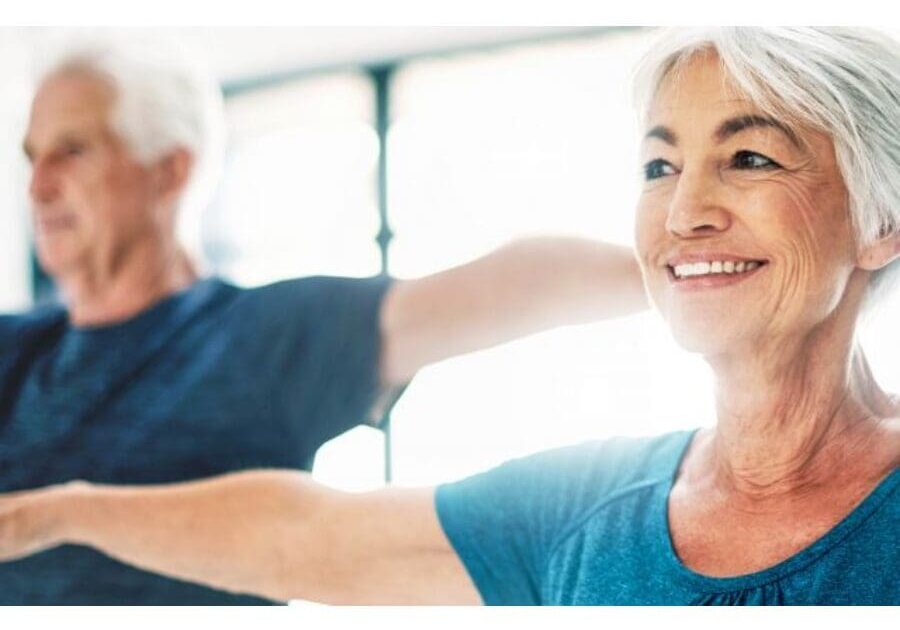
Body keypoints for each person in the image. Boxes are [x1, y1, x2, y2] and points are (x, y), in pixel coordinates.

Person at [4, 26, 897, 606]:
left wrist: (707, 268)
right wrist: (56, 513)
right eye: (658, 170)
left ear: (881, 222)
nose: (683, 207)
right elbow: (309, 534)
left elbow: (507, 282)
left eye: (749, 158)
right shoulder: (588, 506)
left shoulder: (266, 334)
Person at [0, 39, 647, 605]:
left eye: (73, 151)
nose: (38, 187)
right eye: (33, 157)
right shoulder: (15, 351)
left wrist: (685, 270)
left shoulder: (262, 335)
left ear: (170, 169)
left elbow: (504, 286)